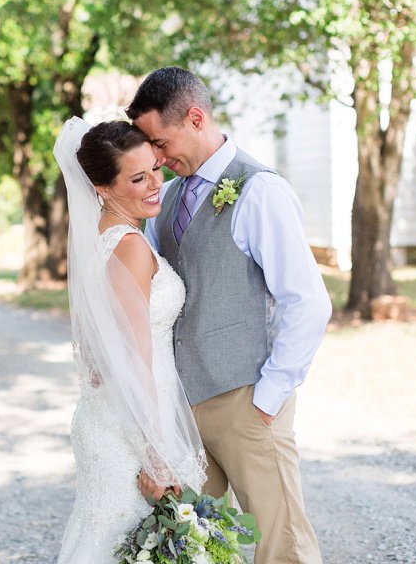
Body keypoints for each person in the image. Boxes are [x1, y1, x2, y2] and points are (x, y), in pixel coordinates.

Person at [128, 67, 332, 564]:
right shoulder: (170, 196)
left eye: (159, 142)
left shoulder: (260, 189)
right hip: (184, 405)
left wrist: (268, 398)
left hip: (246, 399)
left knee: (280, 545)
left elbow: (307, 302)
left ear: (195, 118)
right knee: (199, 546)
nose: (154, 159)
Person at [53, 118, 206, 563]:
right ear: (102, 187)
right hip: (134, 428)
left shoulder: (99, 239)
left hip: (112, 417)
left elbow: (103, 351)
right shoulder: (130, 247)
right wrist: (157, 456)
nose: (157, 183)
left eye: (156, 168)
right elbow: (133, 358)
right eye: (138, 178)